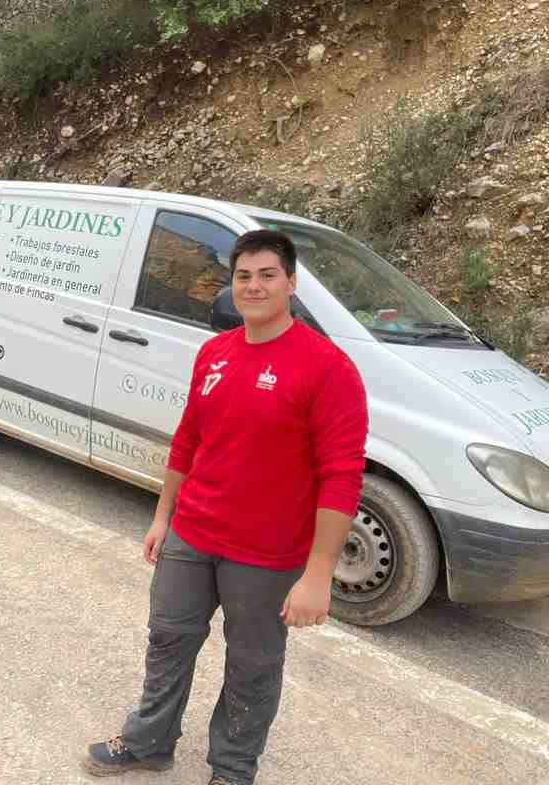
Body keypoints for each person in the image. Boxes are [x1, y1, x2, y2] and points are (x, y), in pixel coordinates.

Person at [85, 229, 369, 785]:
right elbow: (188, 439)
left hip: (267, 554)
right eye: (243, 276)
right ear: (232, 284)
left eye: (267, 275)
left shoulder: (327, 367)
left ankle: (233, 770)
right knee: (168, 639)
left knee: (253, 665)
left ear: (291, 283)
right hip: (192, 534)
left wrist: (318, 575)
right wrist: (163, 518)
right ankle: (149, 742)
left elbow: (341, 477)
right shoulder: (214, 353)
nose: (254, 285)